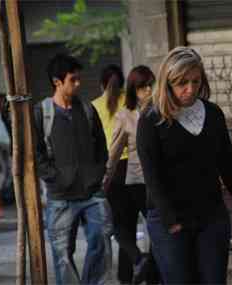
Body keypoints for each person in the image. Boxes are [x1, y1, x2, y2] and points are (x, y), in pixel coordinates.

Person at [136, 47, 232, 285]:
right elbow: (152, 176)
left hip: (211, 216)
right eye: (182, 83)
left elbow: (229, 165)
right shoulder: (152, 119)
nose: (190, 89)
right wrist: (171, 220)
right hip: (169, 220)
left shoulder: (213, 114)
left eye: (195, 81)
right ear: (168, 82)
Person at [33, 53, 112, 285]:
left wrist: (96, 175)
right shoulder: (41, 112)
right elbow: (35, 154)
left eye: (78, 79)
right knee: (62, 257)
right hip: (60, 199)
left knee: (102, 241)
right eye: (73, 80)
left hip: (92, 194)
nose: (78, 84)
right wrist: (56, 179)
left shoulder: (87, 110)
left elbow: (101, 147)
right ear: (57, 82)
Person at [103, 65, 160, 285]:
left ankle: (150, 271)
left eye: (150, 85)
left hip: (154, 182)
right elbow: (115, 151)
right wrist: (105, 178)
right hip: (130, 180)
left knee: (157, 229)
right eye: (143, 87)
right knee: (122, 228)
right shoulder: (125, 116)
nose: (148, 90)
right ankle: (138, 265)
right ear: (133, 90)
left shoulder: (160, 111)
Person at [92, 64, 132, 284]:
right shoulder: (132, 101)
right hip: (136, 169)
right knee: (140, 223)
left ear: (101, 84)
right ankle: (144, 271)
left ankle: (131, 268)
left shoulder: (94, 106)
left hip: (112, 171)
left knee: (120, 226)